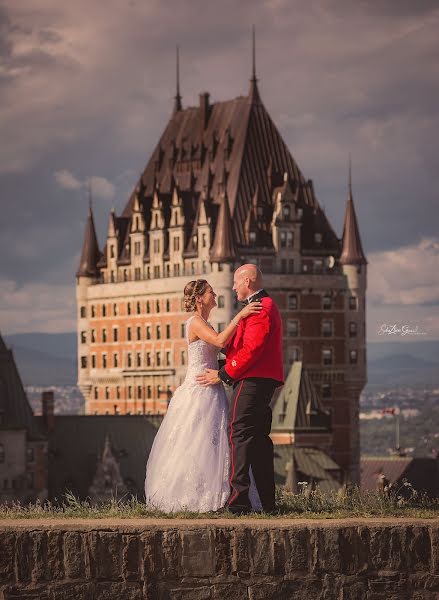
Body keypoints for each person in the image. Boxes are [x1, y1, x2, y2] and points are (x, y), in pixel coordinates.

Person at [144, 279, 262, 513]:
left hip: (212, 386)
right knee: (197, 441)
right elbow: (219, 341)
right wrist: (240, 317)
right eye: (211, 292)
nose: (215, 294)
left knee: (213, 442)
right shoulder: (196, 322)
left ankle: (216, 494)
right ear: (199, 299)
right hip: (199, 390)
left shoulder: (203, 322)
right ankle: (194, 496)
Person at [196, 264, 284, 514]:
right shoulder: (257, 307)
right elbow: (239, 346)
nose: (232, 287)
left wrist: (224, 373)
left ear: (247, 281)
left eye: (236, 282)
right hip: (259, 378)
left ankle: (239, 501)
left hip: (253, 379)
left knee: (239, 434)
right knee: (257, 440)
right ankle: (267, 503)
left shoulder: (261, 308)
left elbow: (252, 350)